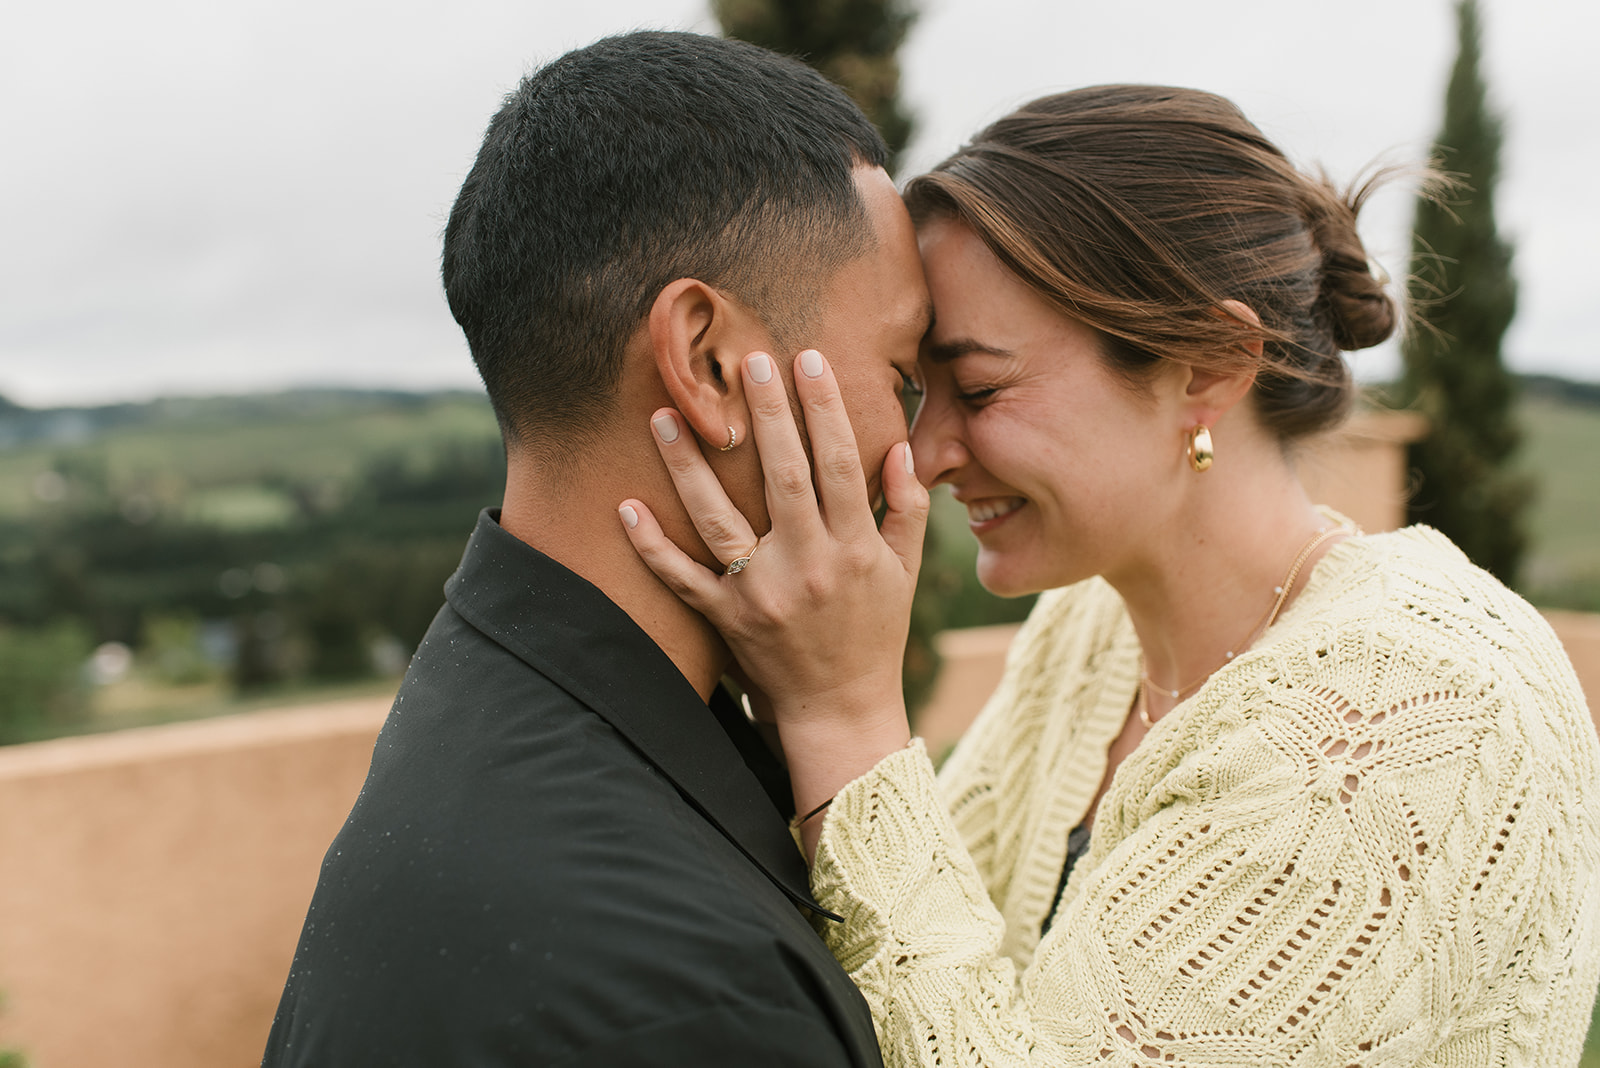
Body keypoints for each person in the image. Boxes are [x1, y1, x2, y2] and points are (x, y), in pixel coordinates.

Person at [621, 85, 1600, 1066]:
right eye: (918, 388)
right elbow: (916, 955)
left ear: (1209, 366)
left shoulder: (1418, 710)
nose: (919, 456)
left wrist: (843, 714)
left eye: (981, 388)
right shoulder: (1091, 629)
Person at [262, 30, 933, 1066]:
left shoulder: (500, 701)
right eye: (902, 376)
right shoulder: (682, 989)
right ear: (707, 363)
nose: (923, 453)